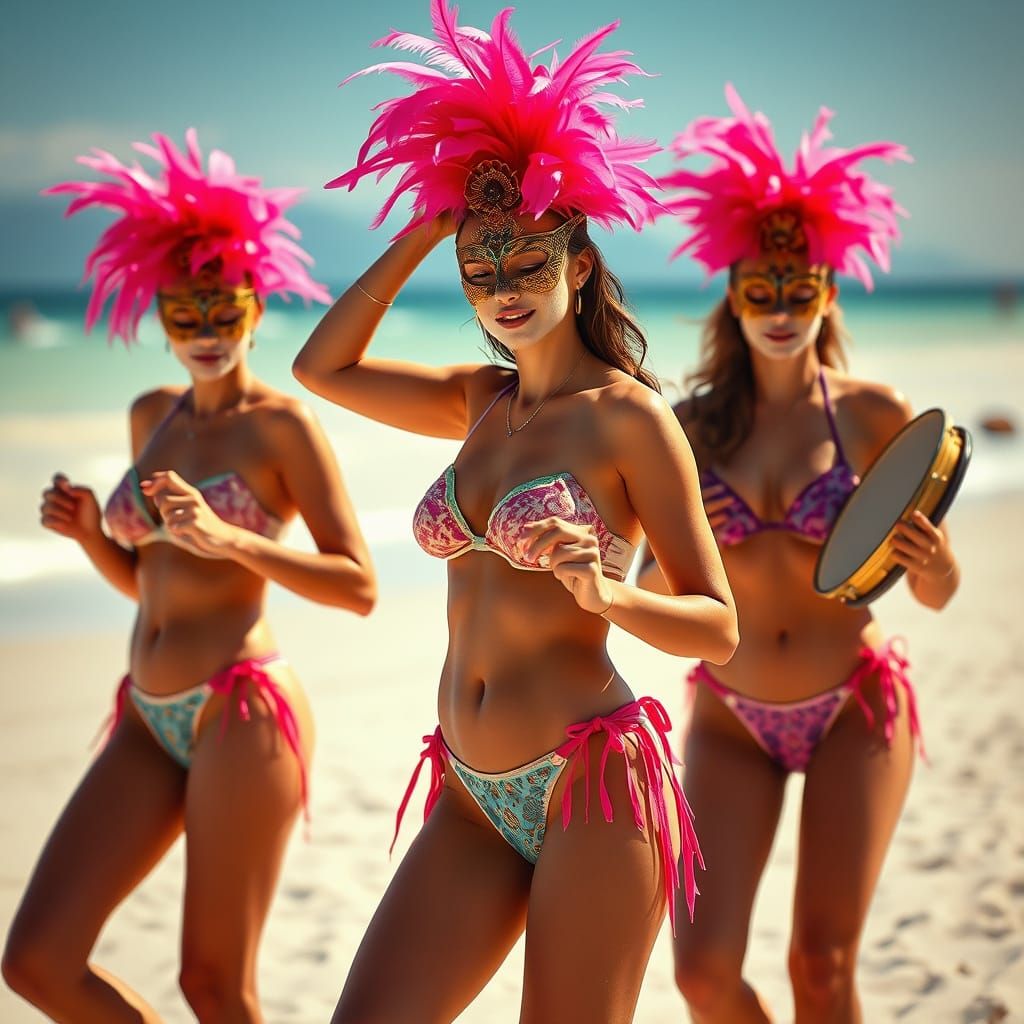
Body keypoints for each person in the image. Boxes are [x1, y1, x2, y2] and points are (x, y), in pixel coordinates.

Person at [293, 4, 737, 1021]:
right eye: (480, 271)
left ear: (578, 264)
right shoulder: (474, 399)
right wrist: (423, 226)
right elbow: (321, 366)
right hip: (466, 791)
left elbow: (718, 624)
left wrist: (605, 589)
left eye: (528, 262)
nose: (503, 288)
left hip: (596, 785)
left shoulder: (629, 419)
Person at [2, 131, 376, 1023]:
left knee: (215, 986)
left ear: (253, 306)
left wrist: (230, 539)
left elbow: (356, 585)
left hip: (239, 710)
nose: (205, 331)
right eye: (184, 315)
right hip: (143, 710)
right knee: (36, 962)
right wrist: (97, 536)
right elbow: (150, 585)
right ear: (158, 315)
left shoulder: (280, 427)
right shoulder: (149, 418)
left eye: (223, 310)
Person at [639, 85, 961, 1023]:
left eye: (800, 288)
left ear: (827, 291)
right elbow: (654, 591)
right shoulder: (688, 428)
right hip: (730, 717)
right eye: (760, 290)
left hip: (855, 708)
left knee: (821, 968)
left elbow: (937, 593)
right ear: (731, 296)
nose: (780, 308)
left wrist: (932, 558)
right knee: (701, 977)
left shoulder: (871, 414)